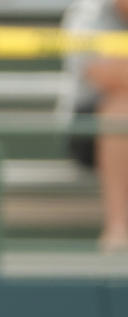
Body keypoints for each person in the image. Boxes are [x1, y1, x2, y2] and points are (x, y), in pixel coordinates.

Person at [59, 0, 128, 252]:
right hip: (88, 128)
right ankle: (118, 232)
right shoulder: (89, 11)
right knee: (122, 108)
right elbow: (104, 74)